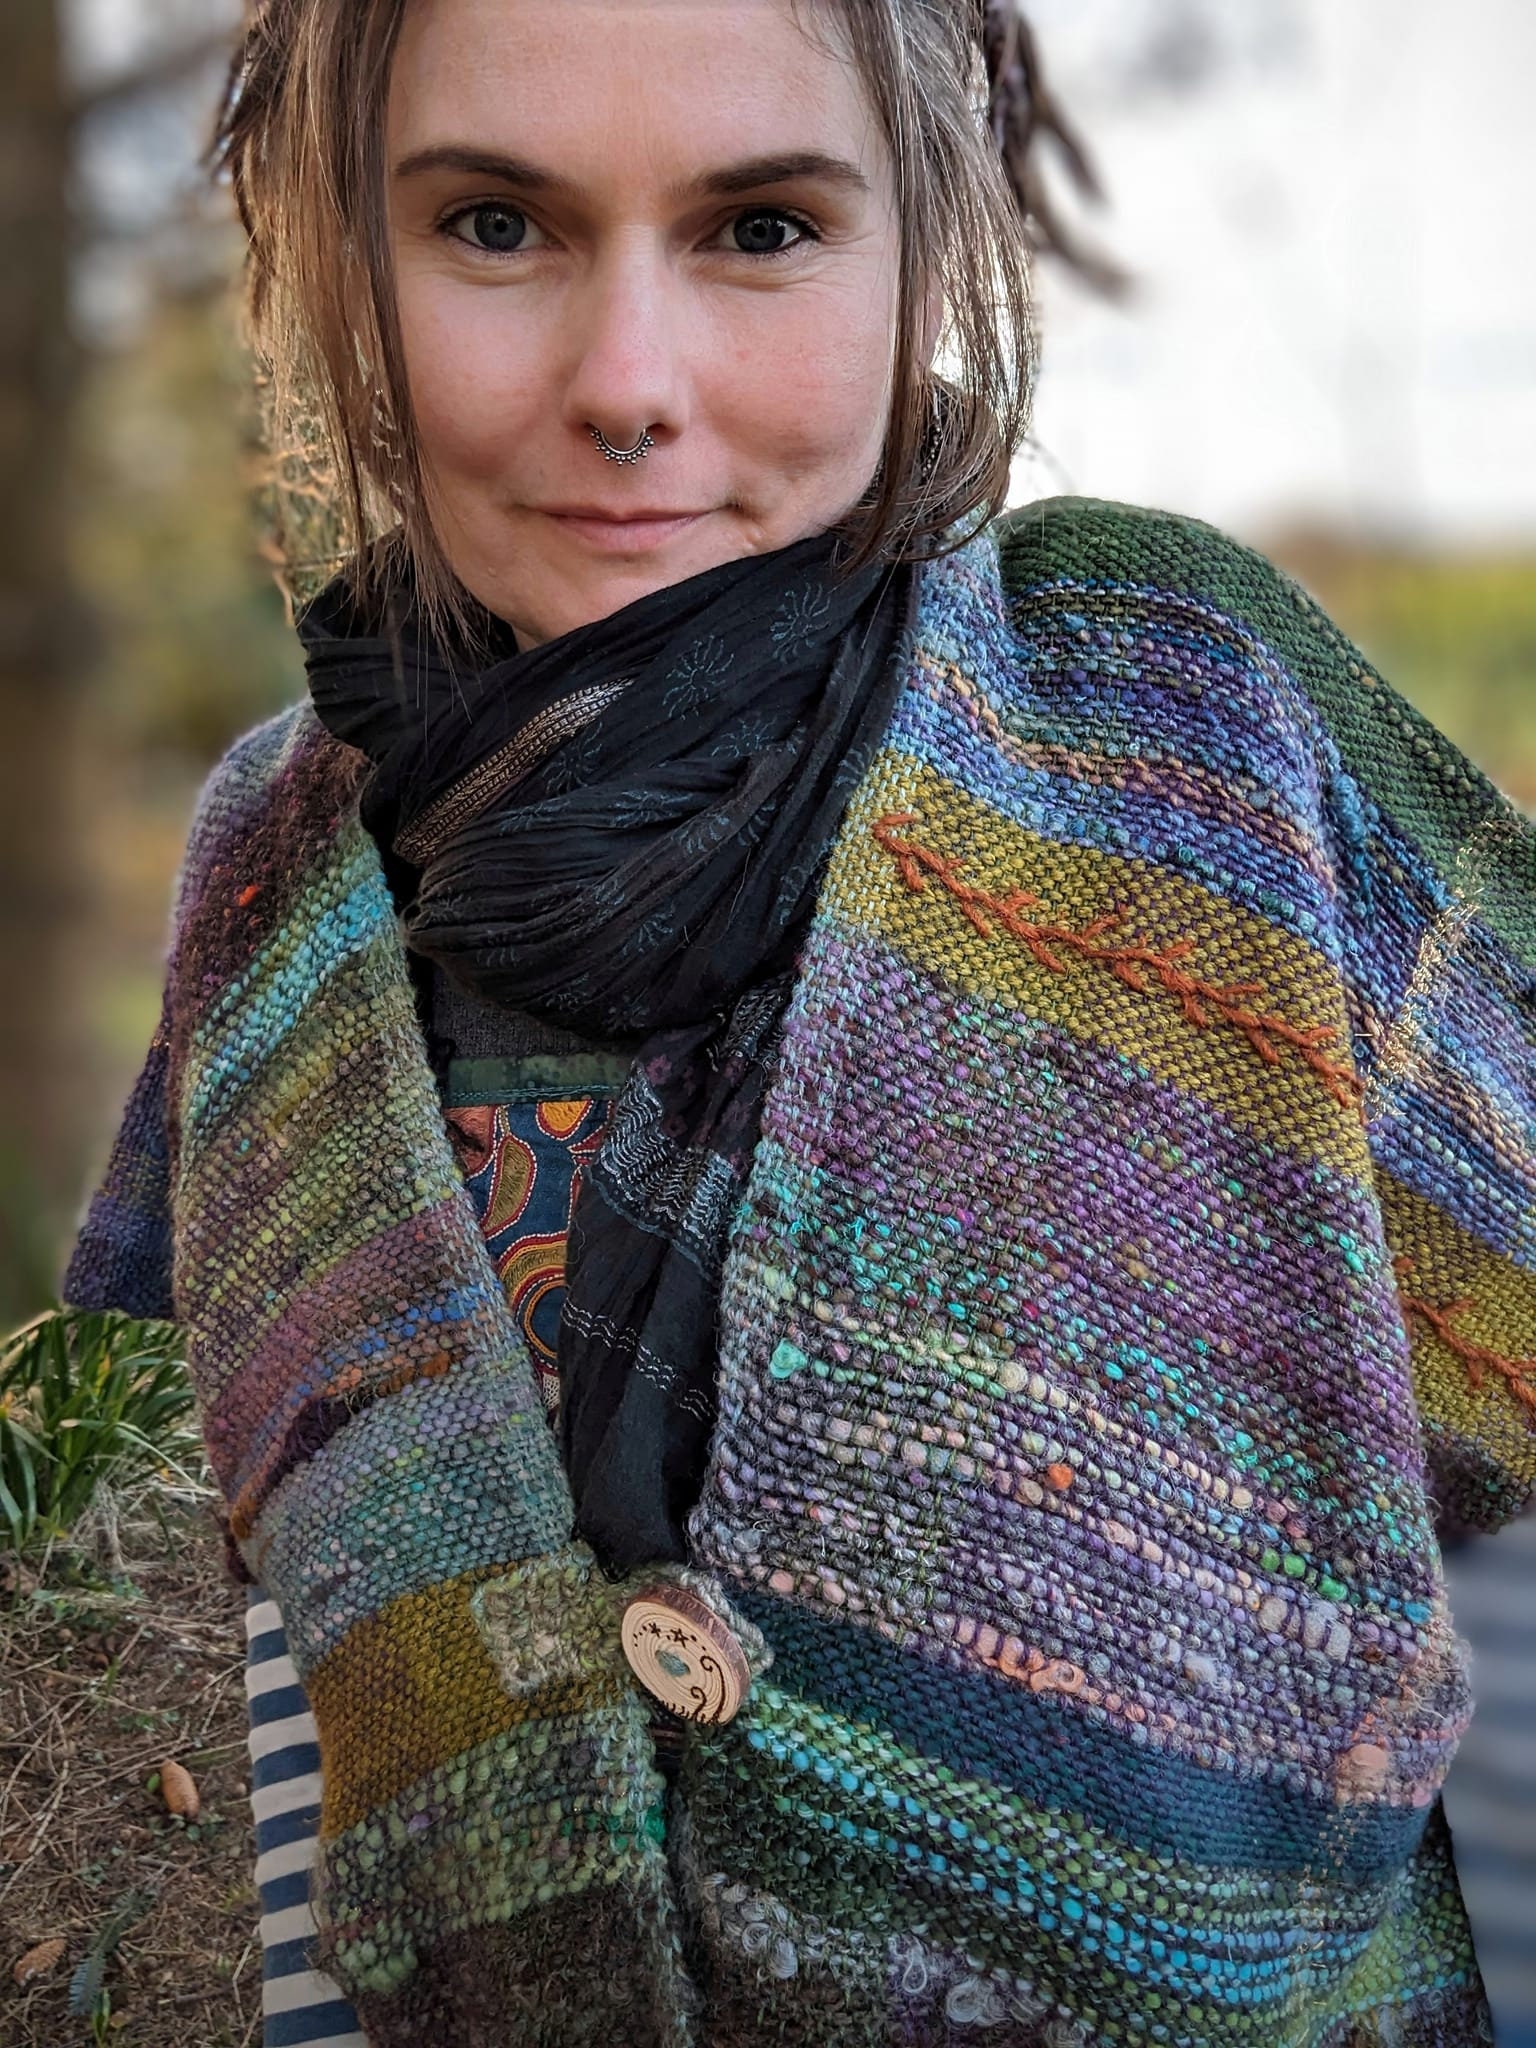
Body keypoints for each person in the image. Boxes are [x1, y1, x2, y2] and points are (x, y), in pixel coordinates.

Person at [58, 1, 1536, 2044]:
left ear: (924, 247)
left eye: (760, 229)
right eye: (494, 225)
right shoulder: (271, 872)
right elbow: (182, 1610)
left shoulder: (1181, 746)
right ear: (341, 259)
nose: (628, 385)